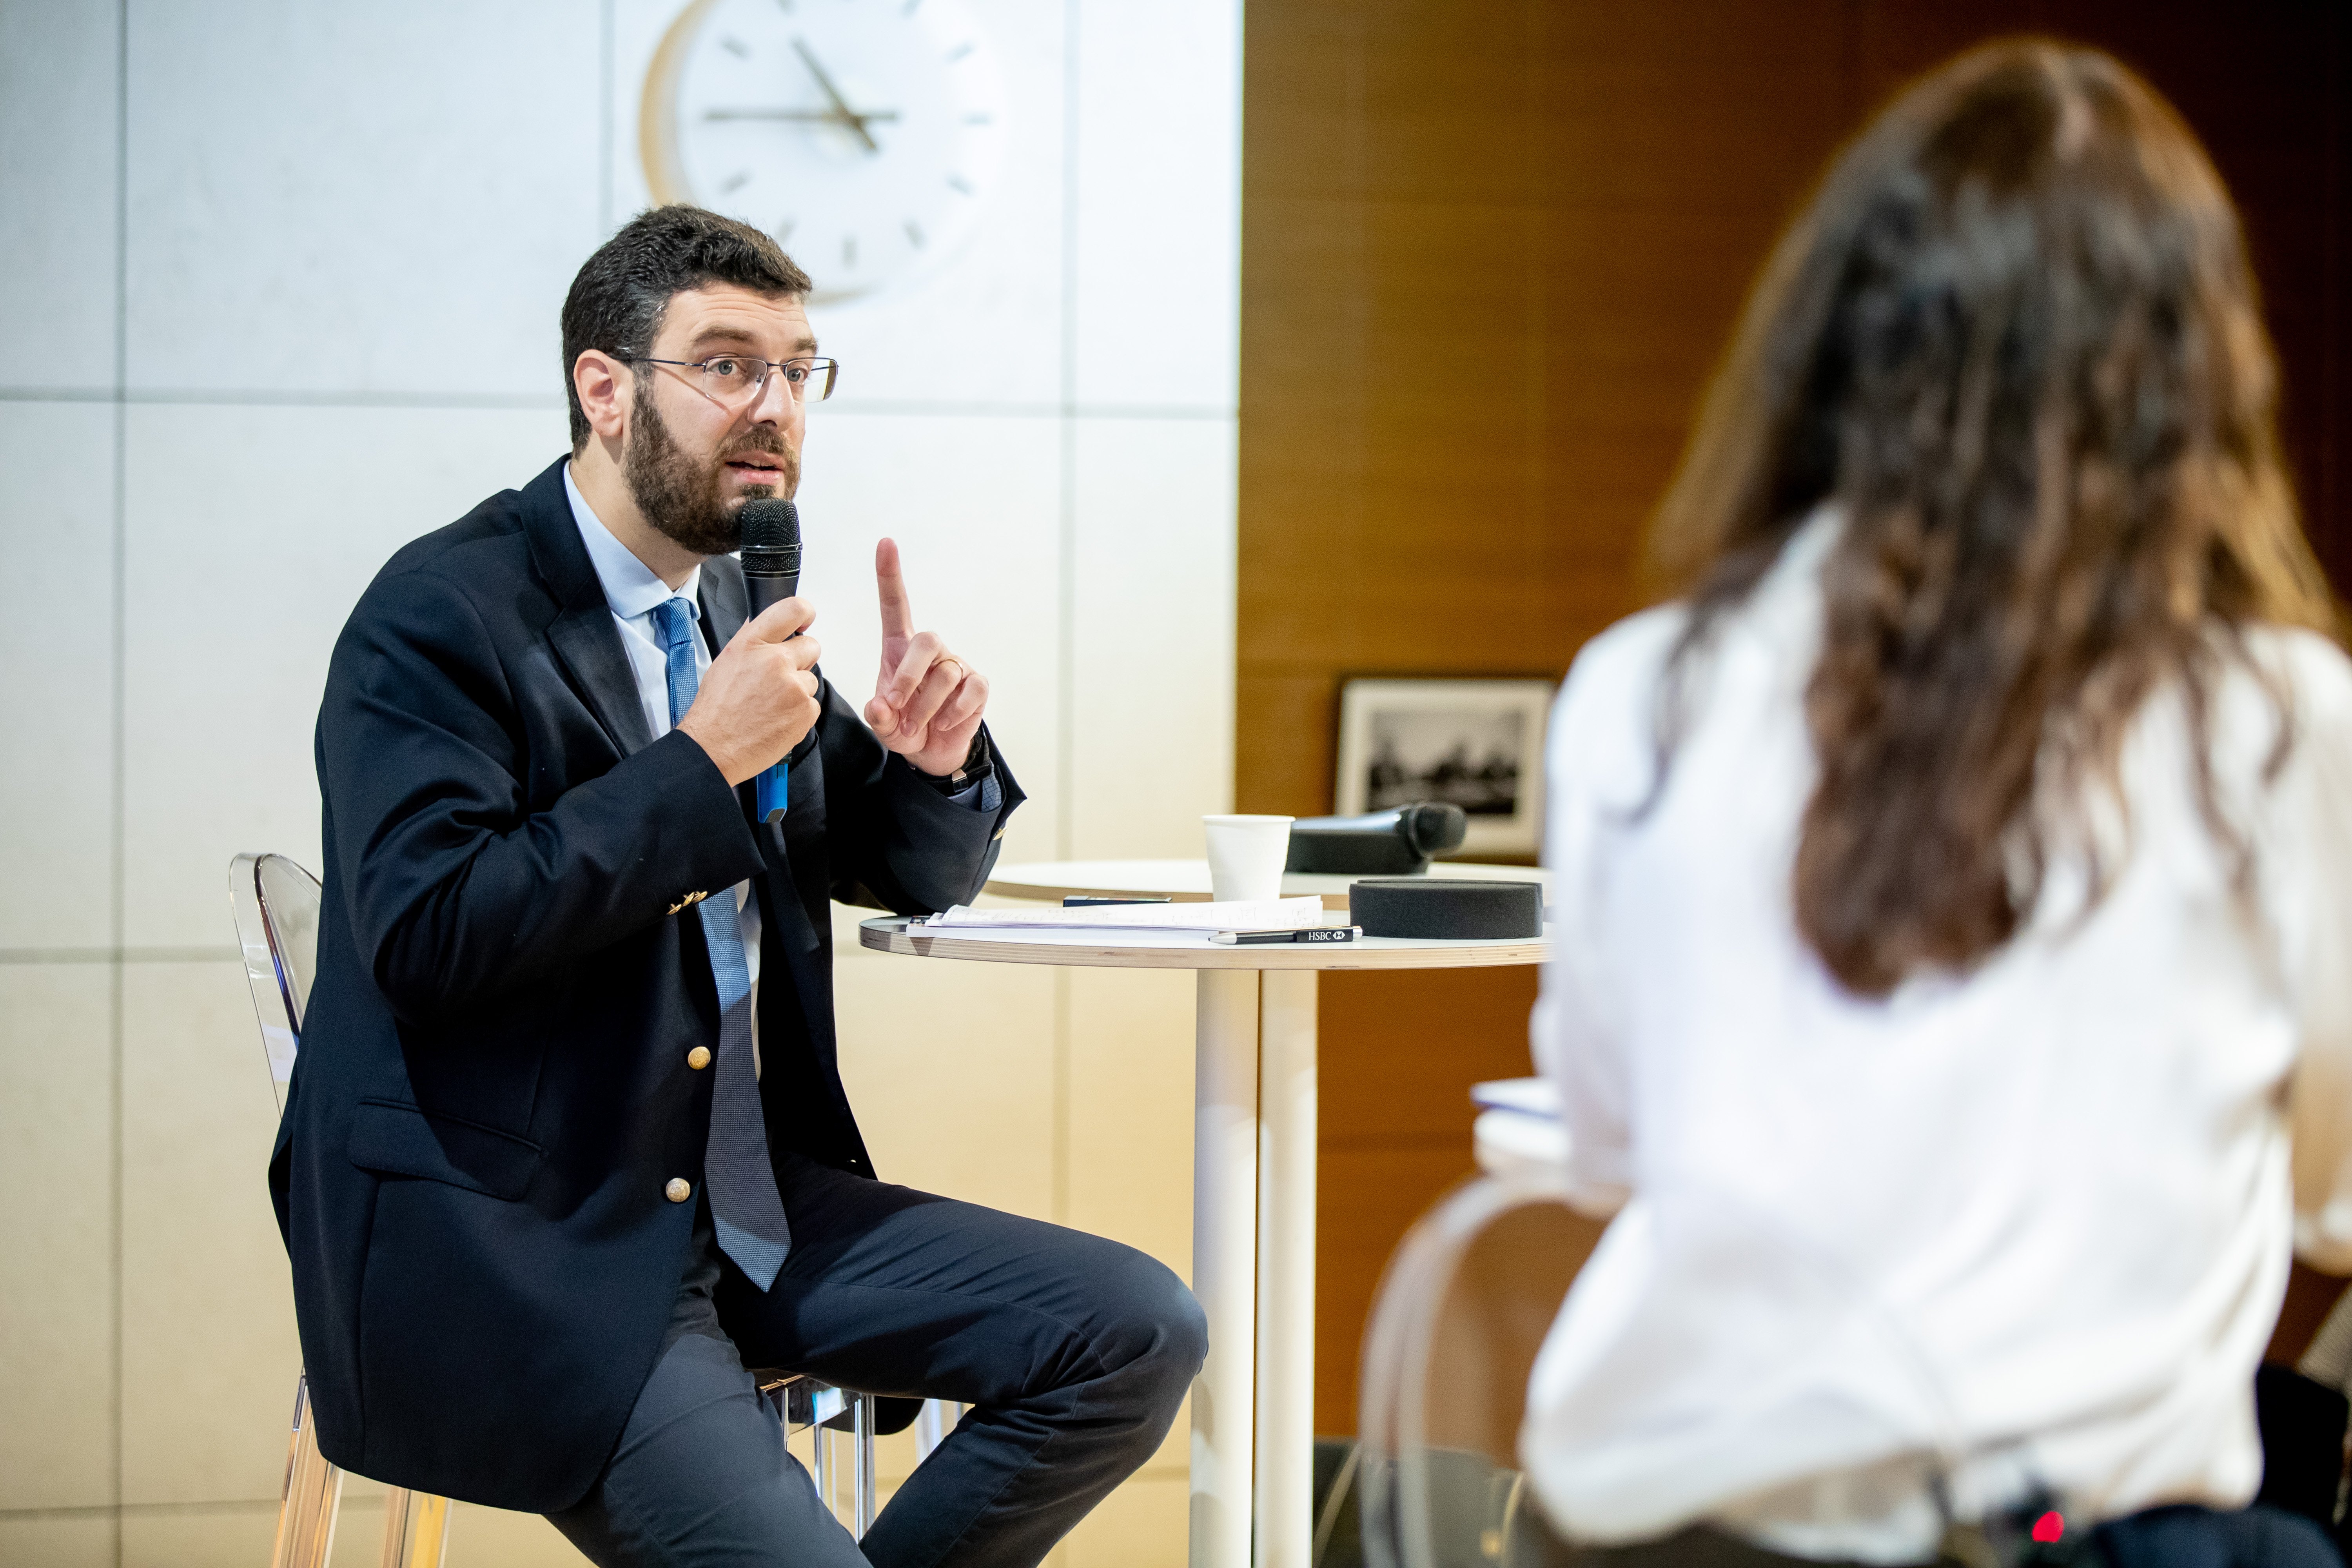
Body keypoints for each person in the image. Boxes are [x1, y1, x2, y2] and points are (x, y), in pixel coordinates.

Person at [271, 205, 1205, 1568]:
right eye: (727, 364)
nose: (773, 408)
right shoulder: (442, 614)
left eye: (798, 371)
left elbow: (897, 873)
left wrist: (929, 772)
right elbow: (431, 936)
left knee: (1137, 1330)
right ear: (605, 388)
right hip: (533, 1240)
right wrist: (701, 764)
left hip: (742, 1206)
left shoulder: (724, 607)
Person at [1520, 40, 2352, 1568]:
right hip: (2067, 1532)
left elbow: (1607, 1139)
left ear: (1835, 346)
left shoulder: (1646, 685)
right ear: (2195, 375)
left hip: (1664, 1527)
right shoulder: (2276, 721)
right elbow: (2328, 1188)